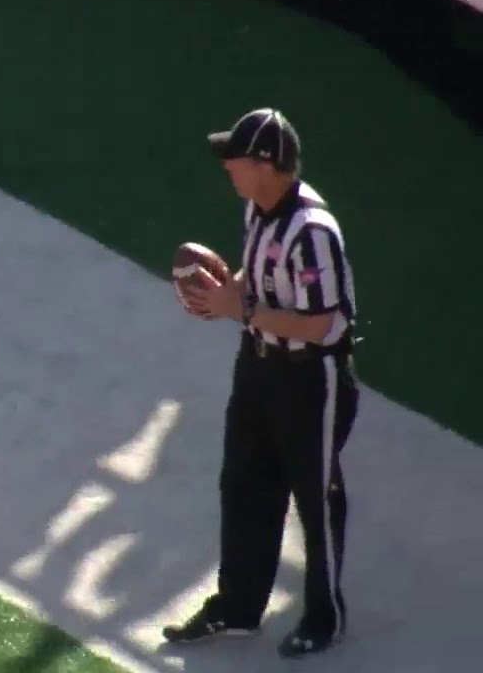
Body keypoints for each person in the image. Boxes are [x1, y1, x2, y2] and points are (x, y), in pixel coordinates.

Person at [167, 108, 360, 658]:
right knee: (244, 483)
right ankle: (237, 606)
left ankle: (325, 617)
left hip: (310, 377)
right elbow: (255, 280)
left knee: (316, 497)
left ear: (266, 165)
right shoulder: (257, 208)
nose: (227, 166)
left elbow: (321, 325)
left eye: (236, 158)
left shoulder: (314, 232)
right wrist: (225, 293)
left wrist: (240, 306)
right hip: (258, 363)